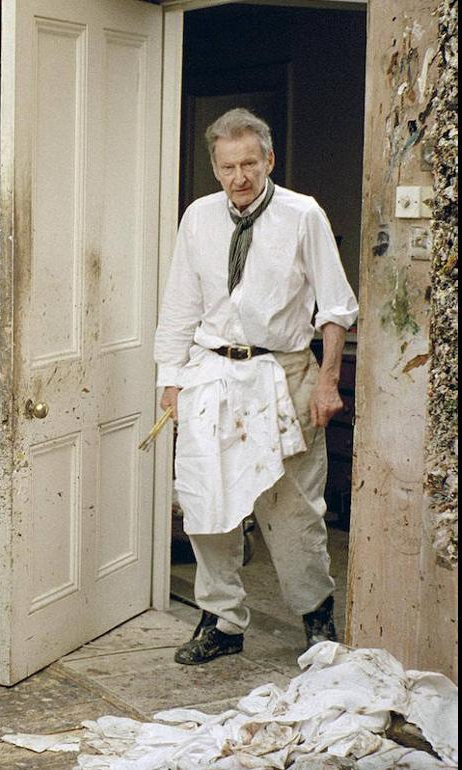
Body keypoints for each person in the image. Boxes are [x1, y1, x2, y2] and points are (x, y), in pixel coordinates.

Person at [154, 108, 359, 666]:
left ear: (269, 159)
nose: (239, 176)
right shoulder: (198, 217)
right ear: (215, 167)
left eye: (249, 162)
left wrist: (327, 381)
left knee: (291, 509)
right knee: (207, 503)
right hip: (211, 376)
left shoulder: (302, 215)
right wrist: (170, 379)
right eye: (227, 166)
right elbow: (180, 305)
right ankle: (221, 620)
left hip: (284, 375)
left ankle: (316, 618)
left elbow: (336, 306)